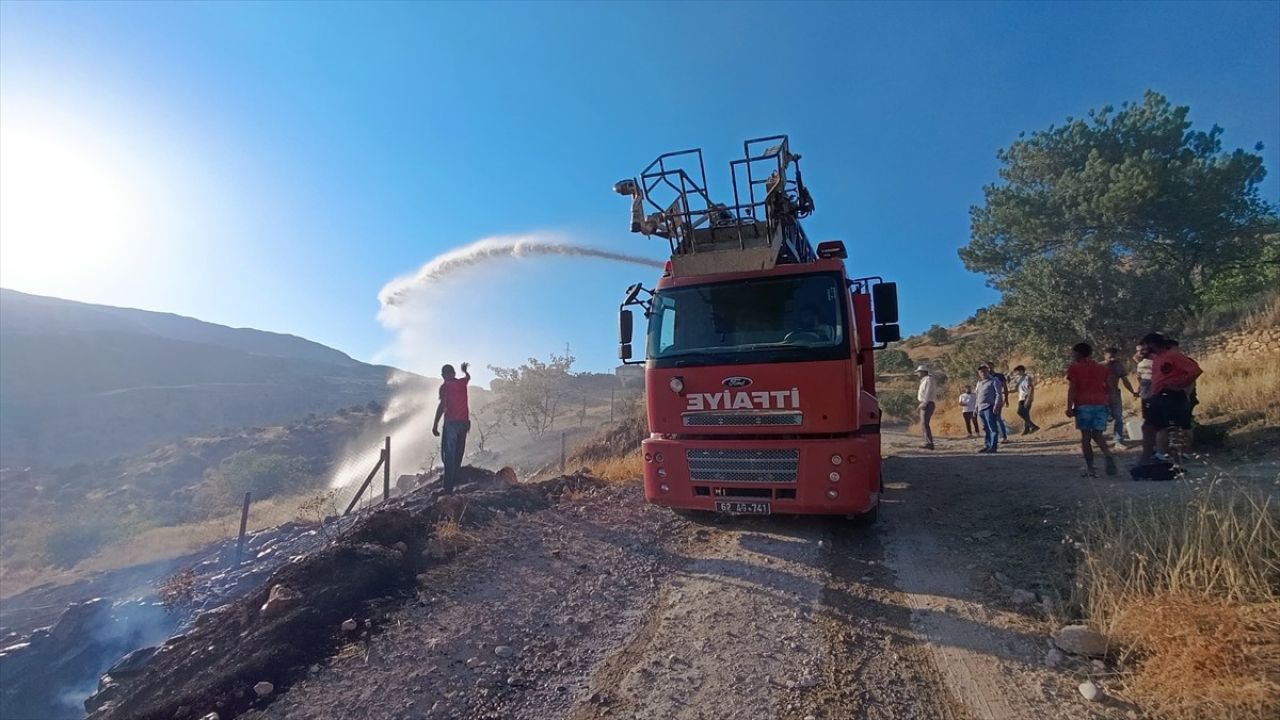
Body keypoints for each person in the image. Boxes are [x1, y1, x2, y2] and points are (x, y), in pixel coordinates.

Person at [1138, 333, 1202, 466]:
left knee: (1174, 428)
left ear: (1152, 344)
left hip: (1170, 396)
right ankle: (1157, 456)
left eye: (1146, 345)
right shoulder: (1158, 358)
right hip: (1158, 396)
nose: (1144, 348)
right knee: (1151, 426)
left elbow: (1195, 371)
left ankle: (1177, 460)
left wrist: (1180, 385)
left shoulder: (1173, 356)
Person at [1065, 343, 1117, 477]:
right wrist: (1110, 405)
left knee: (1086, 437)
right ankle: (1107, 454)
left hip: (1084, 404)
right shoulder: (1101, 368)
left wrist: (1069, 407)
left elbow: (1073, 388)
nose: (1072, 355)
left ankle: (1091, 468)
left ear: (1079, 354)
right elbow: (1109, 388)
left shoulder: (1074, 368)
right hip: (1101, 404)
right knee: (1098, 434)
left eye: (1074, 353)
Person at [432, 362, 472, 493]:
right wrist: (465, 371)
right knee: (458, 453)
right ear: (454, 373)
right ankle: (454, 481)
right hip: (464, 423)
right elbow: (468, 378)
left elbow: (442, 405)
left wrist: (435, 424)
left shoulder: (445, 386)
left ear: (444, 375)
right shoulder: (461, 383)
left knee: (448, 455)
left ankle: (448, 488)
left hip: (451, 423)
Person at [1104, 347, 1138, 445]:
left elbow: (1125, 381)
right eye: (1110, 357)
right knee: (1102, 417)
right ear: (1105, 355)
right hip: (1102, 395)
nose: (1112, 359)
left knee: (1118, 418)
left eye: (1114, 357)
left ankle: (1118, 439)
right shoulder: (1099, 366)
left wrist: (1133, 392)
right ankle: (1095, 439)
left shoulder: (1118, 366)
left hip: (1114, 394)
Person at [974, 365, 1004, 453]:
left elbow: (999, 394)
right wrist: (976, 408)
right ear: (979, 373)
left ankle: (993, 447)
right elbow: (978, 396)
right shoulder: (979, 383)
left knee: (992, 428)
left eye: (985, 371)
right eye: (981, 372)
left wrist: (996, 406)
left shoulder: (994, 381)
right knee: (985, 428)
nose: (983, 373)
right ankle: (987, 445)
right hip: (981, 408)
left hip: (989, 407)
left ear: (988, 371)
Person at [1010, 365, 1041, 434]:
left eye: (1017, 371)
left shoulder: (1027, 378)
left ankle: (1033, 426)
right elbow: (1016, 389)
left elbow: (1030, 388)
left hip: (1026, 397)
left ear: (1021, 371)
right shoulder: (1020, 379)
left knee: (1020, 412)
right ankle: (1027, 429)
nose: (1016, 373)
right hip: (1021, 398)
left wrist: (1029, 399)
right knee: (1026, 414)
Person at [987, 362, 1011, 442]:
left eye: (990, 367)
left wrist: (1006, 399)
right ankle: (995, 437)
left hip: (997, 400)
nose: (989, 369)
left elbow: (1005, 387)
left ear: (993, 367)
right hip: (988, 401)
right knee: (990, 419)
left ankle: (1004, 437)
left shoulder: (999, 376)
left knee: (998, 418)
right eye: (987, 367)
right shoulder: (984, 377)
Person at [916, 365, 937, 449]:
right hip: (926, 402)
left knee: (925, 423)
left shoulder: (928, 380)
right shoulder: (925, 380)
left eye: (919, 372)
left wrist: (924, 402)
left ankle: (929, 443)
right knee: (924, 423)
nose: (917, 374)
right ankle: (927, 442)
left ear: (923, 372)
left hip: (927, 403)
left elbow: (927, 392)